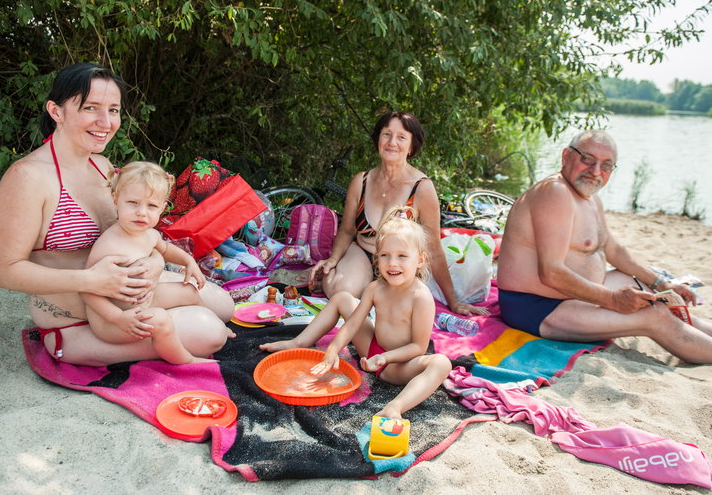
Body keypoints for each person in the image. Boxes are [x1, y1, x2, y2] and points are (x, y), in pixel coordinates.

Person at [0, 63, 234, 366]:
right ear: (56, 111)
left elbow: (135, 235)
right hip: (79, 319)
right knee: (211, 331)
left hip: (130, 295)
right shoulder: (28, 177)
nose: (105, 122)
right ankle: (78, 344)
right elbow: (5, 271)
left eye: (114, 110)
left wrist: (156, 262)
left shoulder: (102, 167)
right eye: (90, 108)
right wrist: (90, 281)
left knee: (224, 306)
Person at [497, 129, 712, 374]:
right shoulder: (554, 192)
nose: (595, 171)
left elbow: (613, 249)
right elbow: (551, 273)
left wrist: (661, 282)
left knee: (645, 286)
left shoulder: (589, 197)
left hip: (571, 297)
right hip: (536, 308)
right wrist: (613, 299)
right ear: (566, 156)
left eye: (606, 165)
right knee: (654, 315)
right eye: (587, 160)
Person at [261, 206, 452, 419]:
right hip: (370, 349)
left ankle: (395, 406)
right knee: (343, 297)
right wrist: (333, 349)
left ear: (420, 259)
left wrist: (384, 358)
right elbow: (352, 325)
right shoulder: (375, 288)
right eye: (385, 255)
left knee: (441, 363)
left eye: (402, 256)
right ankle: (298, 342)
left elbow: (418, 347)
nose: (393, 263)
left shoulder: (421, 297)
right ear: (376, 258)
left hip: (397, 364)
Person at [310, 111, 485, 316]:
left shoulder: (421, 188)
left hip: (399, 262)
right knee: (341, 291)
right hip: (364, 252)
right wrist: (333, 259)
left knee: (397, 310)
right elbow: (347, 230)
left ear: (411, 147)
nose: (392, 142)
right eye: (386, 134)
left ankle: (371, 292)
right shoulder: (361, 181)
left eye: (401, 137)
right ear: (378, 139)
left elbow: (434, 249)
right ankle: (345, 280)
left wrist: (453, 301)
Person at [81, 161, 221, 364]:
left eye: (152, 206)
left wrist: (188, 260)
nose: (142, 212)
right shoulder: (109, 246)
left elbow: (165, 249)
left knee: (189, 291)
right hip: (111, 320)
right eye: (133, 203)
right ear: (115, 199)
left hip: (141, 299)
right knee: (160, 320)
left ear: (162, 208)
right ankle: (184, 359)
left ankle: (214, 323)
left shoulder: (149, 233)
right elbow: (87, 291)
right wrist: (117, 318)